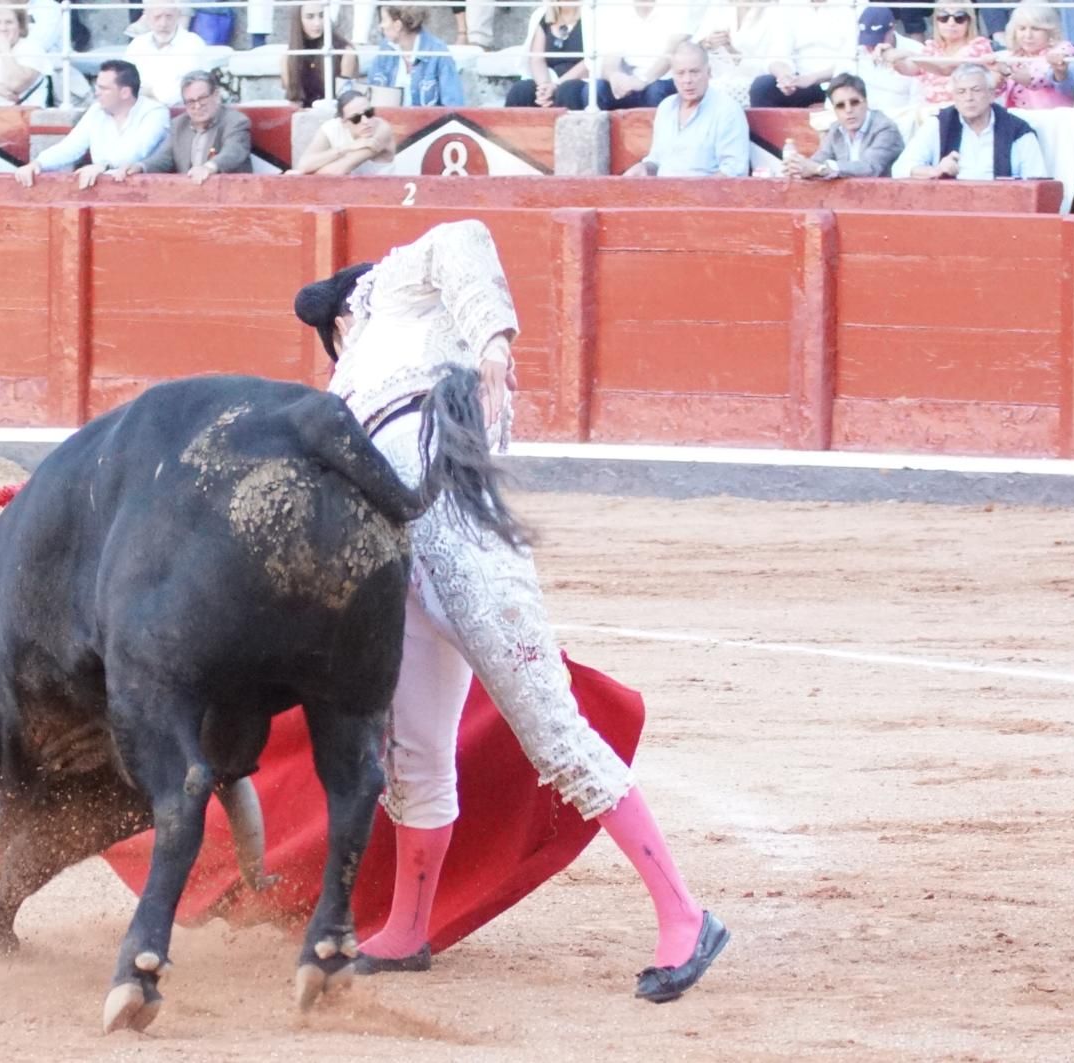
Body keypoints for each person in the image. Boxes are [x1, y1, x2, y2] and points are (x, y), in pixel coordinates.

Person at [292, 218, 728, 1003]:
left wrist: (494, 339)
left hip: (461, 534)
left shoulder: (399, 282)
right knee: (414, 753)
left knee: (554, 733)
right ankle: (408, 928)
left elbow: (465, 237)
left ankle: (685, 915)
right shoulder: (348, 379)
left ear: (339, 317)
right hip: (396, 559)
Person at [14, 59, 169, 189]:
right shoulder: (97, 111)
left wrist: (103, 166)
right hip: (101, 188)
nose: (96, 92)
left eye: (104, 88)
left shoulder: (155, 112)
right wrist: (38, 163)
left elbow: (138, 150)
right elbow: (71, 146)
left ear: (125, 93)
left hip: (146, 190)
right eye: (97, 86)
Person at [892, 63, 1048, 178]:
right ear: (953, 97)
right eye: (961, 92)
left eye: (976, 90)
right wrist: (935, 171)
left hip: (1001, 211)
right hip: (950, 210)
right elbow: (900, 168)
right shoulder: (938, 124)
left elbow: (1036, 179)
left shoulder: (1018, 130)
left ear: (992, 94)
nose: (969, 98)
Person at [624, 42, 749, 178]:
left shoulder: (727, 109)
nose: (687, 80)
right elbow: (656, 160)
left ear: (708, 72)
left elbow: (734, 170)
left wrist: (693, 195)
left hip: (706, 195)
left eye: (694, 72)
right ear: (673, 76)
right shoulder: (665, 107)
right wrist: (645, 167)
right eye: (680, 73)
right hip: (663, 194)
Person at [118, 71, 251, 184]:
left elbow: (233, 152)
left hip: (229, 196)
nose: (197, 106)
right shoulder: (178, 124)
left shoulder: (235, 121)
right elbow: (163, 158)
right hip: (189, 196)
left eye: (202, 99)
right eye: (190, 102)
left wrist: (209, 168)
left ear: (216, 95)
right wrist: (140, 166)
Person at [574, 0, 696, 111]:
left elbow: (670, 54)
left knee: (656, 91)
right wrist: (615, 76)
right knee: (595, 90)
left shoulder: (679, 5)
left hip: (663, 78)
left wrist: (643, 80)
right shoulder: (616, 7)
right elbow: (610, 58)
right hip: (631, 81)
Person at [789, 72, 904, 177]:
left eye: (854, 103)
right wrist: (799, 167)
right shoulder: (836, 129)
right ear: (834, 110)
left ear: (866, 102)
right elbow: (818, 161)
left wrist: (820, 169)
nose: (848, 110)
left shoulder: (886, 129)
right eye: (840, 106)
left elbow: (870, 168)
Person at [748, 0, 859, 109]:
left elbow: (850, 61)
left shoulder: (849, 7)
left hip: (836, 80)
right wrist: (785, 78)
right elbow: (777, 54)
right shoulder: (789, 5)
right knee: (762, 87)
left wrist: (812, 78)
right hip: (799, 81)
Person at [890, 1, 1002, 106]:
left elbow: (944, 67)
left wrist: (911, 55)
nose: (951, 23)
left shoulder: (979, 46)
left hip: (967, 111)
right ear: (936, 21)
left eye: (959, 18)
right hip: (931, 113)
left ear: (969, 21)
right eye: (944, 17)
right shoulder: (932, 47)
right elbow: (909, 69)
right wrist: (891, 56)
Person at [366, 5, 464, 107]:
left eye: (384, 20)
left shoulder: (438, 52)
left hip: (428, 121)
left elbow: (453, 104)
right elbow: (371, 95)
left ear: (397, 26)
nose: (381, 26)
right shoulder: (385, 49)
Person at [839, 5, 922, 115]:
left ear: (892, 28)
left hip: (901, 119)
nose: (871, 46)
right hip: (861, 118)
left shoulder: (916, 49)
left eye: (877, 38)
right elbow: (838, 89)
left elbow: (917, 103)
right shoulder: (852, 48)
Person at [694, 0, 779, 107]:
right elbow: (696, 46)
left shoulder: (774, 12)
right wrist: (707, 43)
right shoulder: (719, 6)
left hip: (752, 86)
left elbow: (768, 66)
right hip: (715, 80)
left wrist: (732, 51)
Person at [292, 87, 396, 174]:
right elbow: (304, 165)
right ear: (343, 123)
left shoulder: (382, 129)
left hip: (383, 193)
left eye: (369, 113)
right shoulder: (332, 128)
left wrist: (304, 174)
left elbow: (340, 169)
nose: (365, 121)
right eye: (356, 118)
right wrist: (346, 148)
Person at [504, 2, 588, 108]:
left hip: (581, 80)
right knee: (521, 90)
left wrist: (556, 85)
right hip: (549, 78)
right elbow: (537, 60)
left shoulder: (593, 14)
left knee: (567, 91)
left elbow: (590, 62)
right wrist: (544, 87)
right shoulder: (542, 16)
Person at [126, 0, 208, 108]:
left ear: (178, 15)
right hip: (141, 111)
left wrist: (155, 99)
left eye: (169, 16)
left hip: (182, 112)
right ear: (147, 16)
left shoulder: (193, 44)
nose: (163, 23)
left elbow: (197, 88)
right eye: (157, 17)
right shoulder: (137, 45)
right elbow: (125, 82)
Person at [993, 4, 1074, 108]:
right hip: (1019, 120)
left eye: (1035, 29)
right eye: (1022, 29)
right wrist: (995, 79)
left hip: (1054, 120)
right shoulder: (1013, 56)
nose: (1028, 35)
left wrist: (1006, 71)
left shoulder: (1064, 49)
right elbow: (995, 93)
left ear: (1050, 30)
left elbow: (1037, 78)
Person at [283, 1, 360, 108]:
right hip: (304, 117)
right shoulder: (289, 57)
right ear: (298, 20)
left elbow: (346, 101)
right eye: (310, 17)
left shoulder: (345, 52)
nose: (317, 23)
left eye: (322, 15)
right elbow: (293, 101)